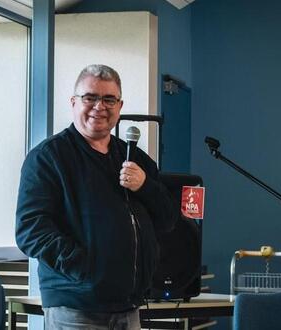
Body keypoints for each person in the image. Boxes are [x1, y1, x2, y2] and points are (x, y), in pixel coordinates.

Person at [15, 64, 177, 329]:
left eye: (109, 99)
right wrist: (86, 269)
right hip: (76, 307)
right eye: (90, 97)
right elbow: (30, 230)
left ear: (119, 105)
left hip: (129, 305)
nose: (99, 106)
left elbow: (169, 219)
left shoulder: (134, 158)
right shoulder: (49, 158)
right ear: (74, 102)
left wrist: (145, 186)